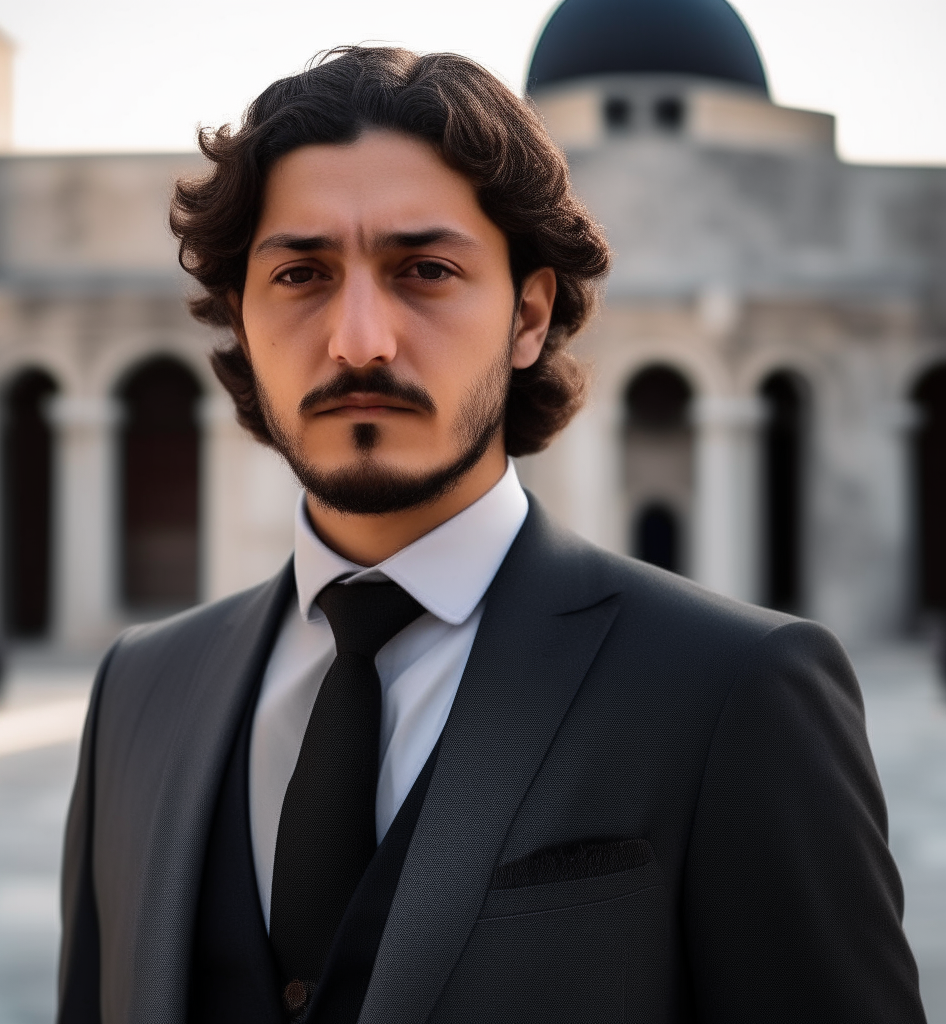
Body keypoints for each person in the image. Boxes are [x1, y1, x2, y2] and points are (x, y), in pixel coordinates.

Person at [57, 46, 925, 1024]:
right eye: (300, 273)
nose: (358, 340)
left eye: (424, 270)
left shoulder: (735, 691)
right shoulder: (140, 692)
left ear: (527, 314)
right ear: (240, 322)